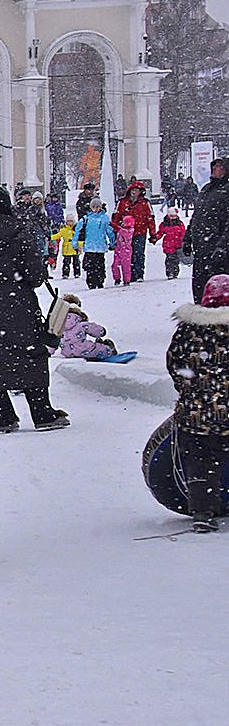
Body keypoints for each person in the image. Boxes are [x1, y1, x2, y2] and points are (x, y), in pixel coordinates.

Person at [0, 186, 68, 433]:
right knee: (31, 356)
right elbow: (36, 275)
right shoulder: (20, 234)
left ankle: (4, 417)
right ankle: (42, 413)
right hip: (18, 305)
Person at [168, 274, 229, 532]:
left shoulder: (187, 330)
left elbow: (174, 364)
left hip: (195, 414)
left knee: (199, 462)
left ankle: (202, 512)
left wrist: (188, 390)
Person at [187, 157, 229, 304]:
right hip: (201, 249)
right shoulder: (206, 189)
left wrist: (222, 247)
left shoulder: (226, 191)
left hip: (218, 251)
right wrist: (187, 238)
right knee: (200, 286)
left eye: (219, 167)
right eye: (214, 166)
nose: (215, 170)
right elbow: (197, 216)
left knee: (218, 290)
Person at [111, 180, 156, 283]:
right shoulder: (122, 202)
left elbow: (150, 218)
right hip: (125, 233)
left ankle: (138, 273)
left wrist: (152, 233)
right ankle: (129, 274)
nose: (134, 192)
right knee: (126, 255)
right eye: (133, 190)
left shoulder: (145, 203)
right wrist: (115, 229)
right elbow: (116, 216)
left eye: (136, 190)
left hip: (140, 232)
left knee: (139, 253)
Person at [53, 295, 118, 360]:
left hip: (68, 354)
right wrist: (102, 331)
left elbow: (52, 341)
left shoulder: (57, 326)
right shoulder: (81, 323)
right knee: (102, 350)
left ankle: (96, 347)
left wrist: (48, 352)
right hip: (85, 351)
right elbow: (96, 330)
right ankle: (110, 350)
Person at [73, 199, 116, 290]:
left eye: (97, 207)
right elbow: (77, 230)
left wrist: (112, 242)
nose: (95, 209)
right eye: (93, 207)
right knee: (90, 267)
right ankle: (91, 283)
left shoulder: (104, 218)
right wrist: (74, 243)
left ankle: (100, 281)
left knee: (100, 266)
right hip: (89, 246)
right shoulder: (86, 218)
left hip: (100, 247)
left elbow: (110, 231)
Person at [158, 206, 187, 281]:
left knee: (176, 260)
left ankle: (175, 272)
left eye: (174, 216)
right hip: (168, 245)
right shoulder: (164, 224)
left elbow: (183, 233)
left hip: (177, 245)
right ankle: (170, 272)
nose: (173, 217)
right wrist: (155, 238)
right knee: (170, 259)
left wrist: (183, 241)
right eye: (171, 216)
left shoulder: (180, 224)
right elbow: (160, 233)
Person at [52, 215, 81, 279]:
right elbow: (58, 235)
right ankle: (65, 274)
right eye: (68, 221)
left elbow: (80, 238)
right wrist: (51, 237)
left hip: (75, 248)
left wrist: (80, 245)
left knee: (76, 262)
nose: (70, 223)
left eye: (71, 221)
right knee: (66, 262)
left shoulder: (76, 229)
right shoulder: (64, 230)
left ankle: (77, 273)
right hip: (67, 249)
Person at [112, 215, 136, 286]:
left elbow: (124, 232)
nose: (122, 223)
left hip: (126, 251)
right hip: (118, 249)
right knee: (114, 265)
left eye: (124, 222)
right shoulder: (122, 230)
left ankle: (127, 280)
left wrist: (114, 225)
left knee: (126, 266)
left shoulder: (129, 231)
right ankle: (117, 278)